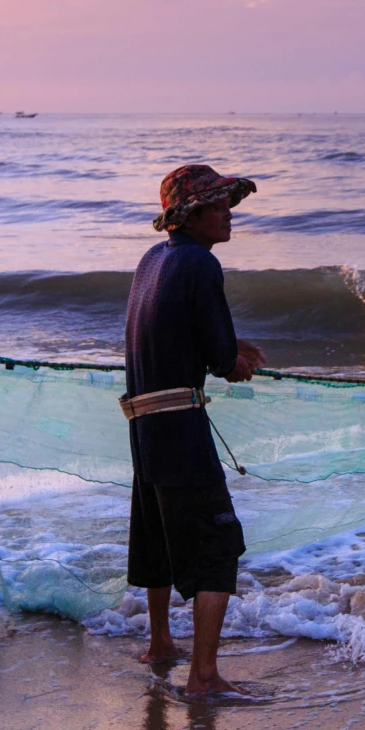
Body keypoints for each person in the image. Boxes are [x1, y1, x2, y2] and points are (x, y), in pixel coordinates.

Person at [124, 163, 267, 697]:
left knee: (157, 536)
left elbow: (181, 338)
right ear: (192, 214)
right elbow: (219, 356)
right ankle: (203, 677)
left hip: (141, 422)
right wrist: (236, 361)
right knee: (218, 548)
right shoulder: (202, 266)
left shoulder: (152, 261)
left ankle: (161, 640)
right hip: (179, 424)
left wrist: (229, 352)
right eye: (220, 206)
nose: (229, 214)